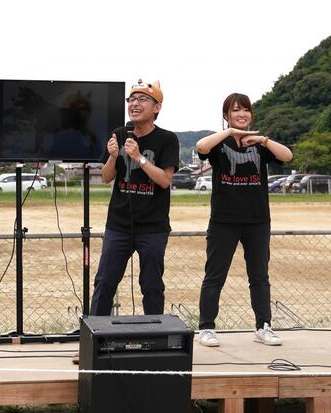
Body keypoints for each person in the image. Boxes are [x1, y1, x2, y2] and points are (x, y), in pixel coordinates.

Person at [195, 93, 293, 348]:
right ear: (226, 115)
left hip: (257, 220)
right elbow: (201, 148)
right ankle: (206, 327)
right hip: (224, 220)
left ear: (252, 114)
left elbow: (287, 156)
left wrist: (263, 139)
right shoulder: (219, 143)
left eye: (246, 110)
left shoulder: (261, 145)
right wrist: (229, 133)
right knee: (215, 275)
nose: (241, 114)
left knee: (259, 276)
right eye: (235, 110)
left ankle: (264, 326)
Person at [90, 79, 179, 317]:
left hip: (153, 226)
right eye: (131, 100)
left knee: (151, 285)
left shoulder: (168, 139)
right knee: (105, 282)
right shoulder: (119, 134)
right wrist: (112, 156)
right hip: (118, 224)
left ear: (157, 107)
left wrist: (139, 158)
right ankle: (93, 345)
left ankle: (154, 338)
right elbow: (108, 177)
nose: (135, 104)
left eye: (142, 100)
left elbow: (164, 180)